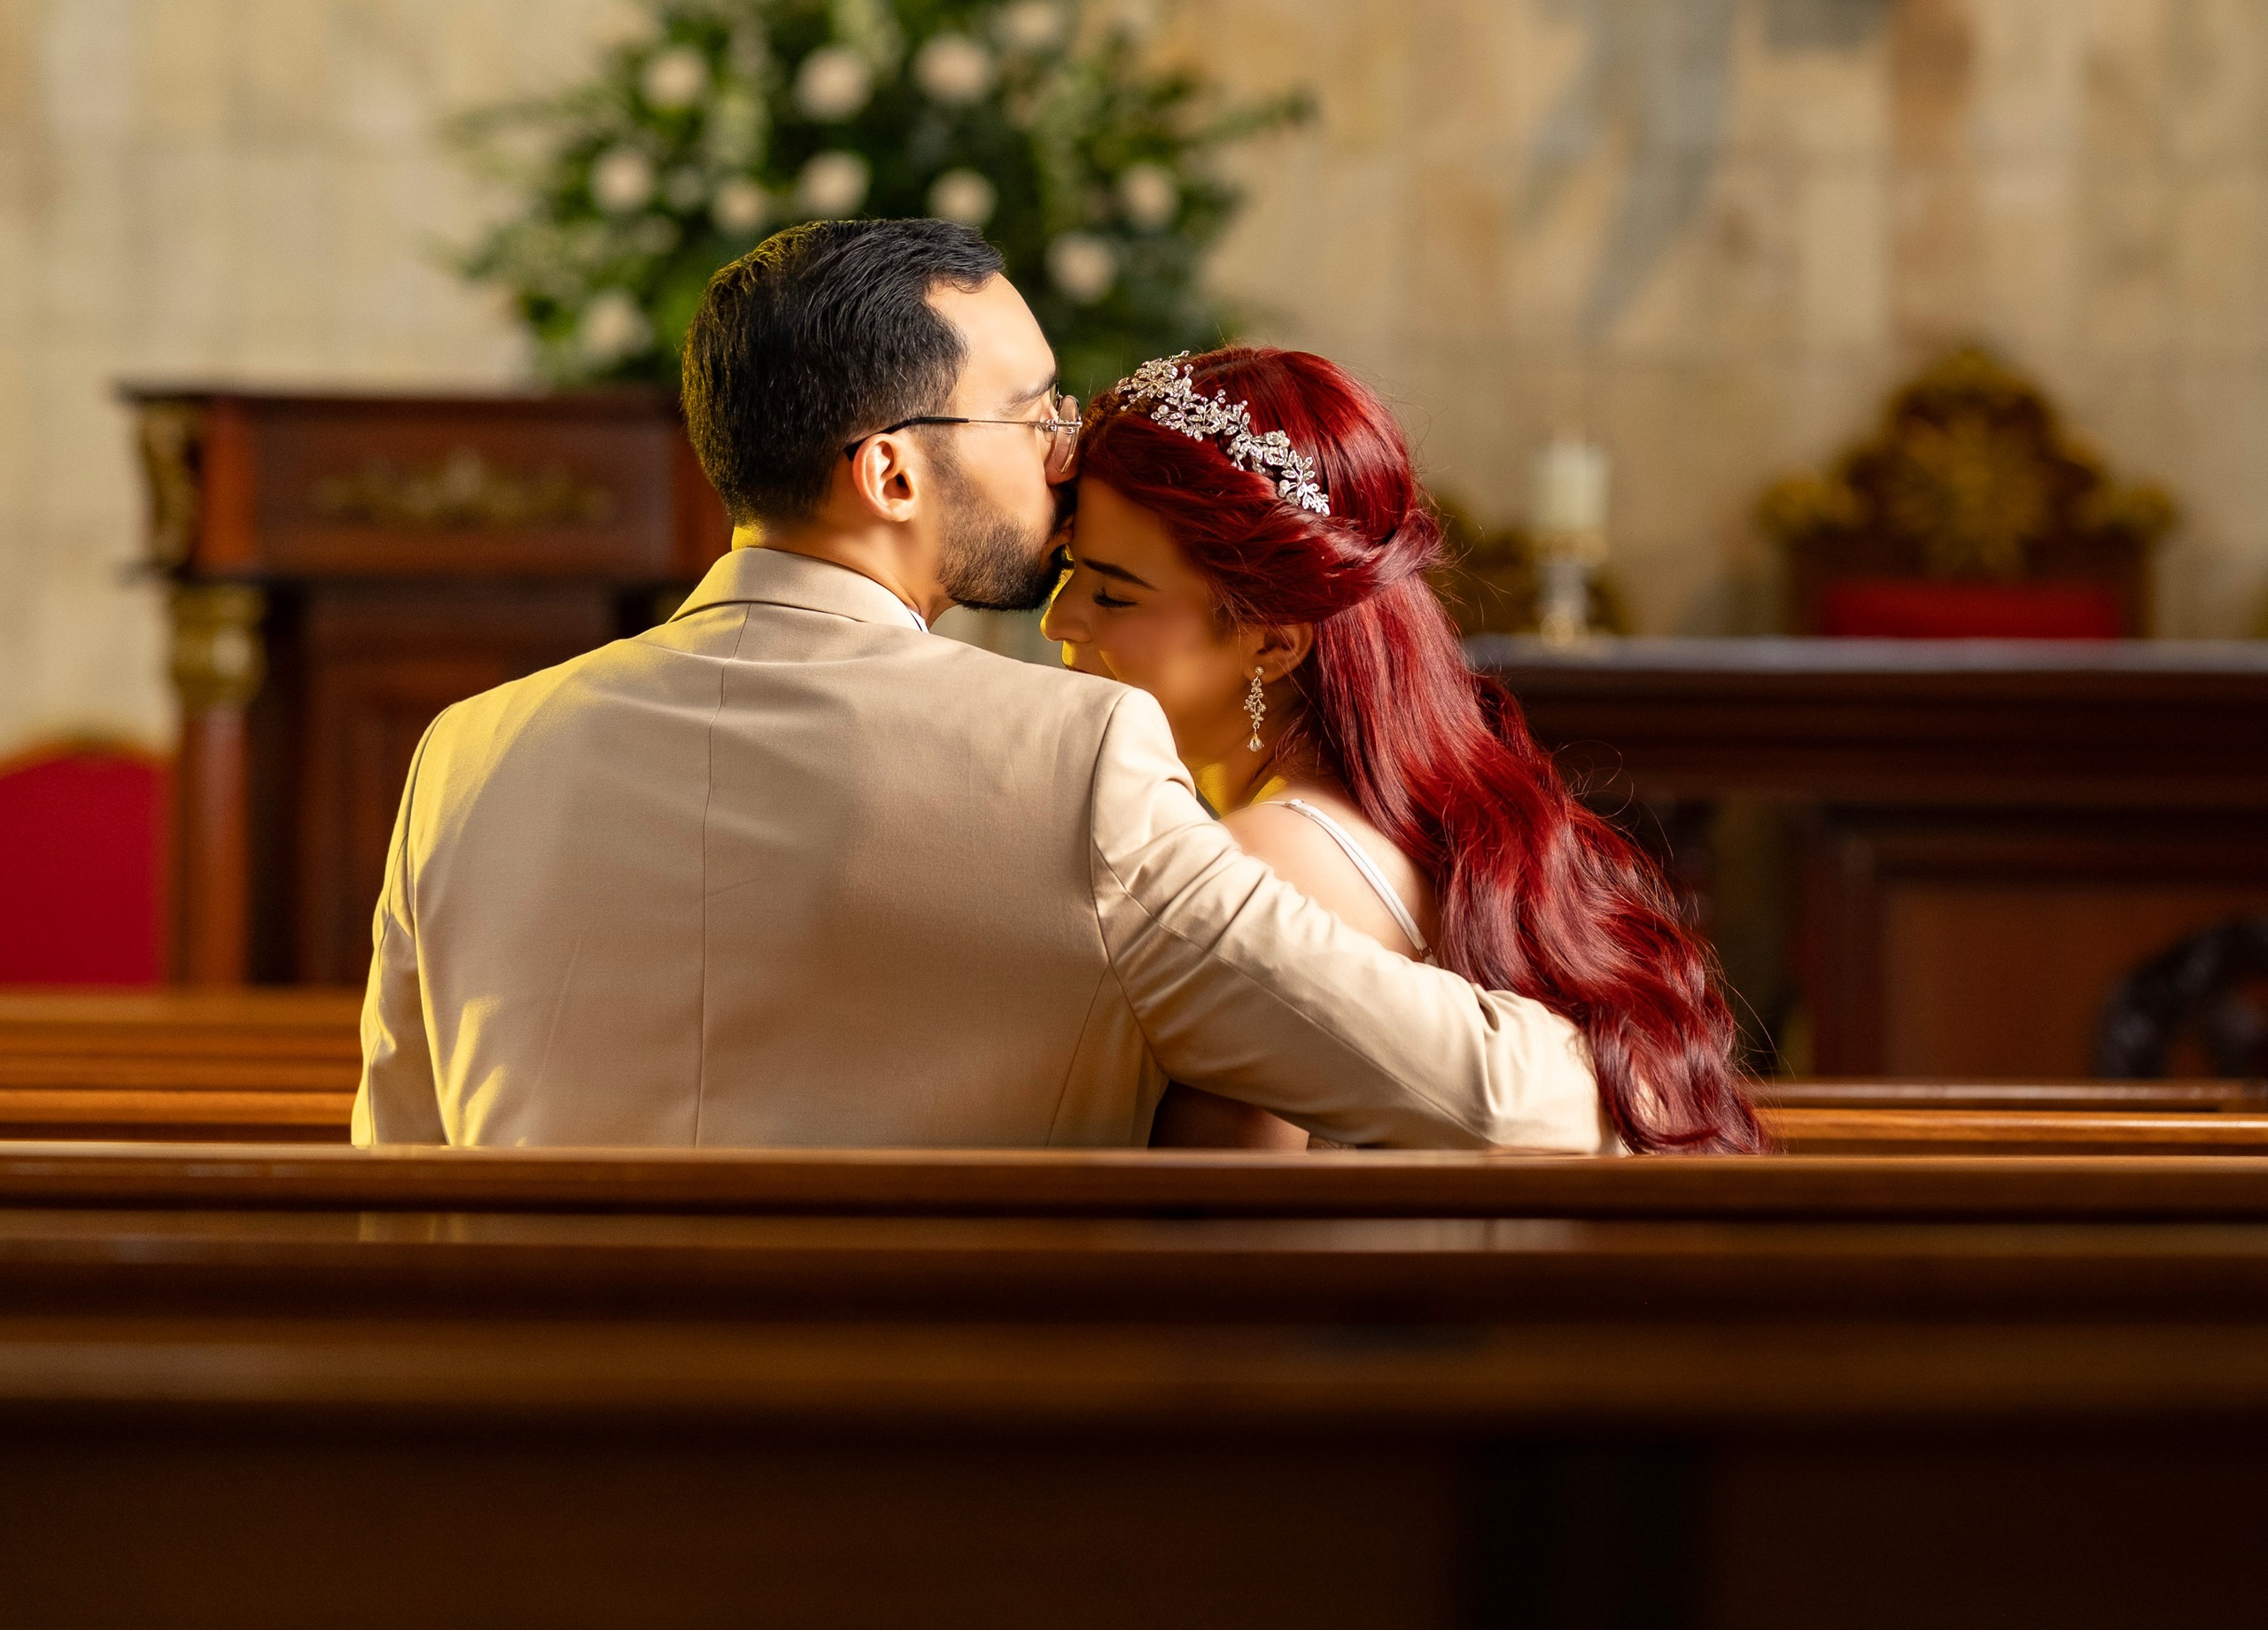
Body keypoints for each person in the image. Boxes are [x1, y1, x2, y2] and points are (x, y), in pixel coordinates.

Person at [352, 219, 1608, 1150]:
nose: (1068, 446)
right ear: (891, 474)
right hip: (931, 1482)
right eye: (1032, 411)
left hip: (530, 1461)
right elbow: (1503, 1108)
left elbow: (395, 1183)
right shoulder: (1075, 763)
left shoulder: (466, 751)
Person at [1048, 348, 1760, 1155]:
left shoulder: (1267, 868)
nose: (1059, 621)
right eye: (1068, 573)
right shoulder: (1414, 812)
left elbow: (1218, 1242)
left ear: (1273, 643)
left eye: (1111, 592)